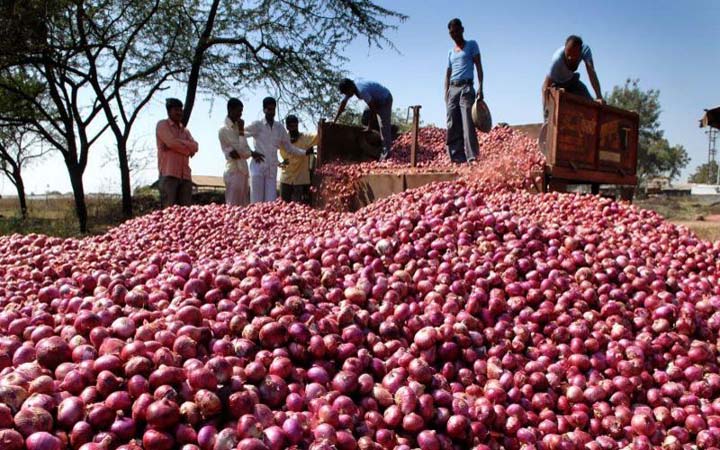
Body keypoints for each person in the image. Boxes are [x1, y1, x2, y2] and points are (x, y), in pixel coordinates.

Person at [241, 97, 313, 203]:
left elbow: (289, 147)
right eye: (269, 109)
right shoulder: (258, 125)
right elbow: (240, 134)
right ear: (264, 109)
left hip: (272, 169)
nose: (272, 112)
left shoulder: (279, 128)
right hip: (258, 167)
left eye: (273, 109)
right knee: (256, 202)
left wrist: (305, 152)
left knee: (270, 202)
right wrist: (250, 152)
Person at [445, 18, 483, 164]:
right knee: (452, 123)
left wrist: (481, 87)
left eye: (456, 31)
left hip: (467, 87)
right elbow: (447, 73)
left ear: (462, 29)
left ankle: (472, 157)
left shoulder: (472, 45)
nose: (454, 34)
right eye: (451, 33)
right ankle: (457, 157)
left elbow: (479, 66)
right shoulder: (450, 52)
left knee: (468, 122)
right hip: (453, 88)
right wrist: (446, 92)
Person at [218, 98, 265, 206]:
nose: (240, 114)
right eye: (238, 111)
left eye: (241, 111)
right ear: (230, 109)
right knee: (233, 207)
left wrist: (249, 152)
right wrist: (241, 132)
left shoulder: (236, 128)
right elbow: (243, 151)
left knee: (243, 207)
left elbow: (245, 150)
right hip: (234, 170)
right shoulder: (225, 129)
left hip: (243, 170)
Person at [333, 78, 393, 160]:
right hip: (374, 100)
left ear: (350, 88)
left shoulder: (361, 91)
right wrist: (334, 120)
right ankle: (380, 132)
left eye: (346, 92)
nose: (346, 95)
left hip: (384, 99)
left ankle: (386, 154)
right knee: (365, 118)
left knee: (383, 126)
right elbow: (343, 104)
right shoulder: (352, 87)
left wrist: (369, 126)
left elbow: (373, 109)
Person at [542, 35, 604, 112]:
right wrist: (546, 115)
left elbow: (591, 72)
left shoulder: (585, 50)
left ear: (580, 53)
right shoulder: (557, 59)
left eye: (573, 56)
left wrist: (599, 97)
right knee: (557, 96)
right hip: (557, 84)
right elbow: (545, 87)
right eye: (567, 55)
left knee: (590, 104)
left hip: (571, 81)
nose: (569, 58)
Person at [156, 98, 198, 208]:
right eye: (176, 110)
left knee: (185, 212)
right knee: (168, 210)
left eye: (181, 110)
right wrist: (187, 150)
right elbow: (171, 143)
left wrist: (178, 144)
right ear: (169, 111)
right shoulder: (162, 125)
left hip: (185, 176)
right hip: (169, 174)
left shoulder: (185, 130)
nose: (179, 112)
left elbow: (195, 146)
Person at [279, 114, 317, 205]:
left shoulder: (305, 138)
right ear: (287, 127)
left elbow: (319, 134)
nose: (294, 128)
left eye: (296, 126)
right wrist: (279, 163)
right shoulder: (282, 140)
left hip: (301, 180)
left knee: (300, 208)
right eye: (291, 126)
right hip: (286, 179)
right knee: (283, 206)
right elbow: (270, 148)